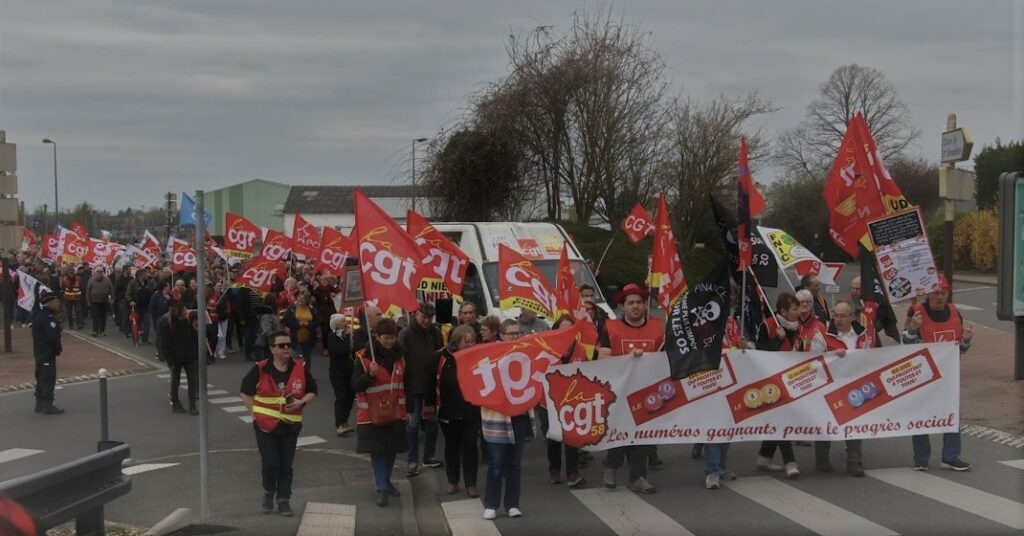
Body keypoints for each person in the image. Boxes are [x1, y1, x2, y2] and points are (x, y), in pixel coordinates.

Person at [240, 329, 317, 517]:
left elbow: (313, 391)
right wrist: (254, 414)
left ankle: (284, 500)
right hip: (265, 426)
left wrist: (302, 402)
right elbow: (245, 392)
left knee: (286, 465)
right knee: (270, 463)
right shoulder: (261, 368)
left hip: (290, 425)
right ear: (272, 348)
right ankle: (269, 491)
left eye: (289, 345)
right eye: (281, 345)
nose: (286, 349)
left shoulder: (300, 367)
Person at [902, 276, 974, 471]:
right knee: (921, 414)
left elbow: (960, 349)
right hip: (923, 375)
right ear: (928, 294)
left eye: (943, 293)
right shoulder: (917, 312)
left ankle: (951, 456)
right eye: (935, 293)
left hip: (949, 376)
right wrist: (912, 329)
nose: (939, 297)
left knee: (952, 414)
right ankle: (921, 458)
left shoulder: (954, 312)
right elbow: (905, 345)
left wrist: (967, 341)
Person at [598, 283, 664, 493]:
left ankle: (638, 477)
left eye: (639, 302)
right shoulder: (611, 328)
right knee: (619, 436)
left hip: (647, 393)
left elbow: (665, 357)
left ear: (644, 305)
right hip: (618, 393)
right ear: (623, 306)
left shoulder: (657, 328)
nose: (635, 306)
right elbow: (602, 356)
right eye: (631, 303)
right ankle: (612, 464)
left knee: (642, 438)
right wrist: (628, 358)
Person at [353, 318, 408, 507]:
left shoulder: (401, 356)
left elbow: (405, 384)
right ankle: (381, 487)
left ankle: (386, 480)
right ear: (377, 337)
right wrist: (369, 375)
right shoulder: (363, 357)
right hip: (371, 415)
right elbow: (355, 385)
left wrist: (408, 410)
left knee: (391, 450)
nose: (390, 341)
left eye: (392, 338)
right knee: (378, 452)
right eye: (386, 338)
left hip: (395, 411)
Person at [754, 292, 810, 479]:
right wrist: (777, 340)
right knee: (781, 419)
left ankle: (764, 457)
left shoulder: (800, 328)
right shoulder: (768, 326)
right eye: (794, 309)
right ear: (783, 311)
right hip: (771, 380)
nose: (798, 312)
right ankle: (790, 462)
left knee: (779, 419)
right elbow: (759, 353)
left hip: (792, 379)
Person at [481, 319, 532, 520]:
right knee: (496, 463)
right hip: (496, 417)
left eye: (518, 333)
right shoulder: (489, 354)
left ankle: (512, 504)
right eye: (511, 333)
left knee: (514, 464)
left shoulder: (526, 353)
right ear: (501, 335)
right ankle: (491, 504)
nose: (515, 337)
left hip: (519, 415)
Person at [816, 301, 870, 477]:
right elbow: (813, 359)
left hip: (855, 386)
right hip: (830, 386)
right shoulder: (822, 335)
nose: (838, 319)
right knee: (826, 422)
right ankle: (822, 458)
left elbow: (872, 357)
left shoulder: (864, 335)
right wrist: (831, 355)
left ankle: (854, 461)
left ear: (852, 317)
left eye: (843, 316)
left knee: (854, 423)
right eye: (835, 315)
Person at [426, 324, 480, 497]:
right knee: (452, 446)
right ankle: (453, 481)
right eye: (467, 341)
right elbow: (429, 382)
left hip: (471, 410)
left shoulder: (477, 356)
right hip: (448, 409)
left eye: (472, 341)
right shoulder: (440, 357)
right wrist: (429, 405)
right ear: (456, 342)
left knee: (470, 446)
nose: (470, 344)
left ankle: (471, 483)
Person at [704, 282, 746, 489]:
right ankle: (712, 470)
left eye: (733, 294)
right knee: (714, 425)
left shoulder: (732, 321)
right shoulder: (706, 321)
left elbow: (736, 345)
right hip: (712, 380)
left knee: (727, 424)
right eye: (725, 294)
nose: (729, 297)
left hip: (731, 380)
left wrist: (744, 346)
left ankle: (722, 465)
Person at [539, 315, 587, 488]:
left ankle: (573, 472)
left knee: (571, 436)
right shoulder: (546, 350)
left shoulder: (581, 350)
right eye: (563, 329)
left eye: (570, 329)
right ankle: (554, 468)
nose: (567, 332)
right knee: (553, 436)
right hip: (548, 401)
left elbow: (587, 372)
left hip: (571, 402)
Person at [398, 303, 445, 477]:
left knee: (432, 422)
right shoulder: (406, 334)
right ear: (416, 314)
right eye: (424, 317)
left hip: (431, 385)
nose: (426, 321)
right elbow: (400, 360)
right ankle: (412, 460)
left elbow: (440, 356)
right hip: (412, 385)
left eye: (429, 318)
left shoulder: (436, 333)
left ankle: (429, 456)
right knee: (413, 424)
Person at [160, 302, 200, 415]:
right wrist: (169, 360)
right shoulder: (168, 326)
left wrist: (195, 352)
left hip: (189, 357)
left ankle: (192, 405)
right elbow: (166, 344)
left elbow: (193, 338)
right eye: (184, 309)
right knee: (175, 381)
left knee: (192, 381)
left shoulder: (188, 323)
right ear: (179, 312)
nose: (186, 311)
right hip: (176, 358)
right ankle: (176, 403)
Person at [32, 291, 64, 415]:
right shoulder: (48, 319)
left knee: (41, 377)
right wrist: (58, 349)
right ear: (49, 303)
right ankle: (48, 405)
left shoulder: (40, 316)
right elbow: (51, 338)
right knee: (48, 378)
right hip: (47, 353)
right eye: (55, 301)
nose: (58, 303)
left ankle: (39, 404)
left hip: (39, 352)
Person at [326, 313, 356, 437]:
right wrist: (349, 339)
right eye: (343, 321)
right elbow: (340, 350)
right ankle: (339, 424)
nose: (346, 323)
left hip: (350, 370)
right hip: (337, 372)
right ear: (337, 324)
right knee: (342, 396)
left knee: (350, 397)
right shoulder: (332, 336)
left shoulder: (349, 335)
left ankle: (345, 420)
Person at [283, 292, 318, 364]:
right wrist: (298, 324)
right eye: (299, 297)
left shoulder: (311, 309)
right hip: (295, 336)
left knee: (307, 358)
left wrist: (308, 324)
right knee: (296, 358)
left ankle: (306, 370)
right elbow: (286, 320)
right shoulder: (292, 308)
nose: (300, 299)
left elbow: (317, 321)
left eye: (303, 298)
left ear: (307, 300)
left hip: (308, 337)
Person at [149, 281, 172, 360]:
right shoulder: (156, 296)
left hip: (169, 319)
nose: (170, 288)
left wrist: (169, 300)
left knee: (167, 336)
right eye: (168, 286)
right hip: (159, 319)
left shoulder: (169, 296)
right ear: (164, 287)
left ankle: (166, 352)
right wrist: (155, 317)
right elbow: (152, 307)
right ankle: (159, 353)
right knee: (160, 337)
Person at [61, 266, 83, 330]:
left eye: (72, 272)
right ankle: (71, 325)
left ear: (74, 272)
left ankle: (79, 324)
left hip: (77, 297)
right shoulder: (64, 280)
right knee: (69, 312)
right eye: (70, 272)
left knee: (78, 311)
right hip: (68, 298)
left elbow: (81, 287)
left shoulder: (78, 279)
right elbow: (63, 288)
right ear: (68, 273)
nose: (71, 274)